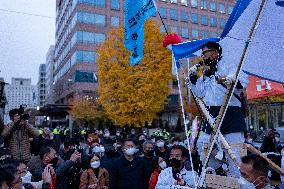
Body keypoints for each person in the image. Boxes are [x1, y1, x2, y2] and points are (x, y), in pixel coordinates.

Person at [190, 42, 248, 177]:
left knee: (234, 152)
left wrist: (230, 79)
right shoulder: (206, 72)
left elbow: (242, 82)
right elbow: (200, 93)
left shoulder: (228, 64)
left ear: (215, 52)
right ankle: (216, 170)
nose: (203, 56)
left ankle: (239, 180)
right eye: (202, 53)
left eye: (205, 52)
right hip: (211, 112)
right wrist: (194, 80)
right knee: (202, 144)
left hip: (230, 112)